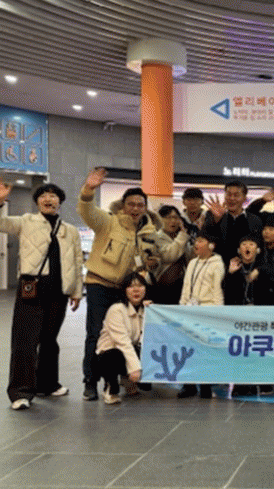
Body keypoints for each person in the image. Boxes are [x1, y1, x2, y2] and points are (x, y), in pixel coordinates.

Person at [78, 167, 161, 401]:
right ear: (123, 206)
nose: (135, 208)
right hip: (99, 284)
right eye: (131, 204)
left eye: (140, 205)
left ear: (145, 207)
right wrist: (88, 189)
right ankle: (90, 381)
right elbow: (86, 210)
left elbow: (152, 258)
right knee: (96, 334)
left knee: (130, 333)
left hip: (126, 290)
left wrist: (152, 263)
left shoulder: (150, 231)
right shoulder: (108, 222)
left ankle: (120, 379)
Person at [0, 182, 83, 410]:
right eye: (44, 196)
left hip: (59, 291)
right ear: (37, 202)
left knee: (49, 340)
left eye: (53, 196)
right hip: (31, 287)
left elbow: (77, 261)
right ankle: (21, 392)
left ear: (60, 202)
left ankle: (47, 384)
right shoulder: (26, 221)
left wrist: (76, 290)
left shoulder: (70, 230)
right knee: (25, 341)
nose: (48, 199)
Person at [178, 230, 225, 399]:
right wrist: (181, 307)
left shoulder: (217, 264)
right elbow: (186, 287)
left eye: (201, 241)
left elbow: (217, 291)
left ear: (211, 245)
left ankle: (206, 384)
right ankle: (188, 384)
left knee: (205, 350)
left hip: (207, 310)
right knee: (188, 348)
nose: (196, 244)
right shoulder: (192, 263)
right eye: (196, 240)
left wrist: (218, 314)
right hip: (190, 310)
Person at [95, 272, 150, 404]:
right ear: (124, 290)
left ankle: (127, 379)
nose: (136, 290)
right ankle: (110, 387)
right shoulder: (116, 309)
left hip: (130, 349)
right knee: (114, 355)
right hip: (110, 354)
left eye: (140, 286)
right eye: (131, 286)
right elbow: (123, 343)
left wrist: (152, 310)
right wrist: (135, 368)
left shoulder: (144, 309)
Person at [203, 180, 262, 266]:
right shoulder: (213, 216)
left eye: (236, 195)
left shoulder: (255, 220)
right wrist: (217, 219)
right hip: (217, 267)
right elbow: (206, 240)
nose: (232, 198)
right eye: (229, 194)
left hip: (245, 268)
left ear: (244, 198)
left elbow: (258, 248)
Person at [151, 205, 192, 304]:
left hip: (183, 285)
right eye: (169, 217)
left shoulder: (182, 236)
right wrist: (183, 235)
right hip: (163, 287)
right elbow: (169, 256)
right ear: (160, 219)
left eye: (176, 217)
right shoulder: (156, 237)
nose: (173, 221)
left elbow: (189, 258)